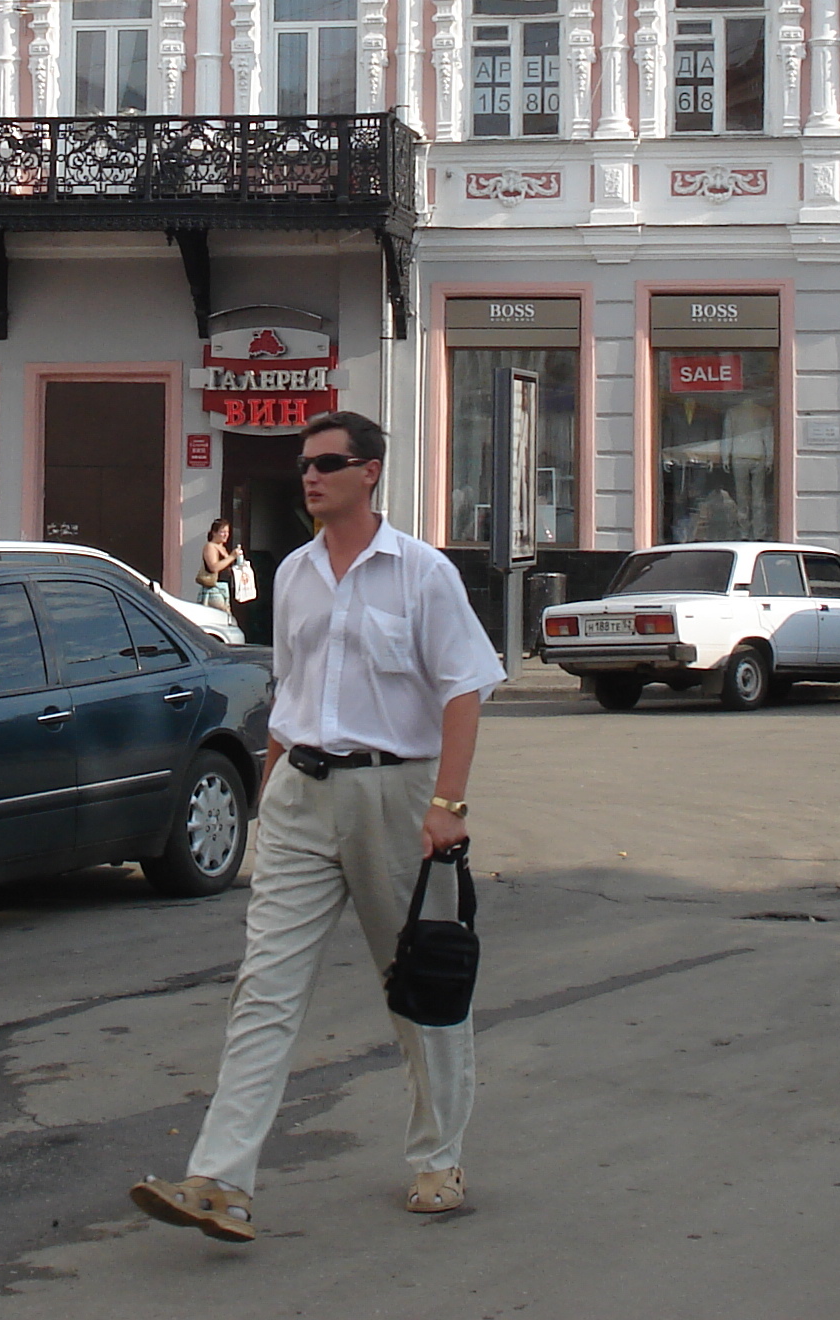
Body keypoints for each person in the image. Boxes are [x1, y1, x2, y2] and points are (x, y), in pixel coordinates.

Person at [133, 409, 502, 1241]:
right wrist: (269, 801)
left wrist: (448, 805)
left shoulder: (422, 574)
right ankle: (220, 1180)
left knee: (417, 983)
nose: (310, 475)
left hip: (395, 801)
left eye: (328, 462)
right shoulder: (294, 573)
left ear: (370, 472)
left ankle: (437, 1158)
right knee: (263, 987)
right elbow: (288, 700)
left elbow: (464, 690)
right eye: (305, 464)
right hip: (302, 791)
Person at [197, 517, 238, 615]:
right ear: (214, 533)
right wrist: (231, 557)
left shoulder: (222, 548)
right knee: (221, 616)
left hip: (224, 588)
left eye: (227, 532)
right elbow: (213, 567)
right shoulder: (210, 546)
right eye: (222, 532)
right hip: (214, 589)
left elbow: (224, 567)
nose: (226, 535)